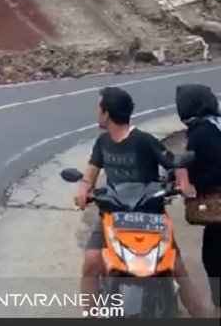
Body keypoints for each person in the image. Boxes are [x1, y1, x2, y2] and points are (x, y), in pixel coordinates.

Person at [73, 87, 204, 317]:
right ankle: (91, 314)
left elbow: (175, 161)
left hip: (150, 216)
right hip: (112, 214)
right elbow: (91, 172)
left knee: (176, 268)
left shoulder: (143, 140)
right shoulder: (103, 142)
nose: (97, 113)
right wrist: (84, 189)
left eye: (99, 108)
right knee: (92, 262)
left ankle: (202, 315)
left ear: (107, 113)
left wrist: (183, 184)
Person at [176, 84, 221, 319]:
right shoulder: (216, 124)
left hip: (217, 205)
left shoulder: (199, 133)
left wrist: (191, 184)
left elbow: (192, 168)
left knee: (214, 258)